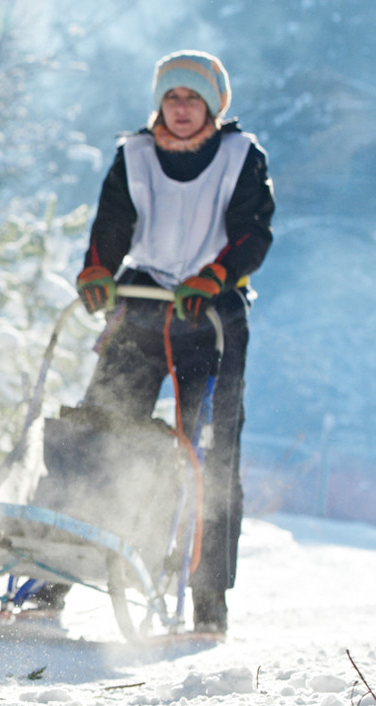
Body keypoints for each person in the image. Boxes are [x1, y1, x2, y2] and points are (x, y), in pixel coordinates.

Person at [23, 49, 275, 636]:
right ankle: (51, 575)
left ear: (213, 106)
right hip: (142, 311)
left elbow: (253, 231)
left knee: (210, 458)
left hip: (212, 319)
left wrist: (217, 275)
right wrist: (97, 272)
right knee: (94, 433)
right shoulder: (134, 154)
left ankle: (208, 596)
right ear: (159, 103)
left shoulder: (241, 155)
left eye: (193, 99)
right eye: (172, 97)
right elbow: (112, 225)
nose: (182, 109)